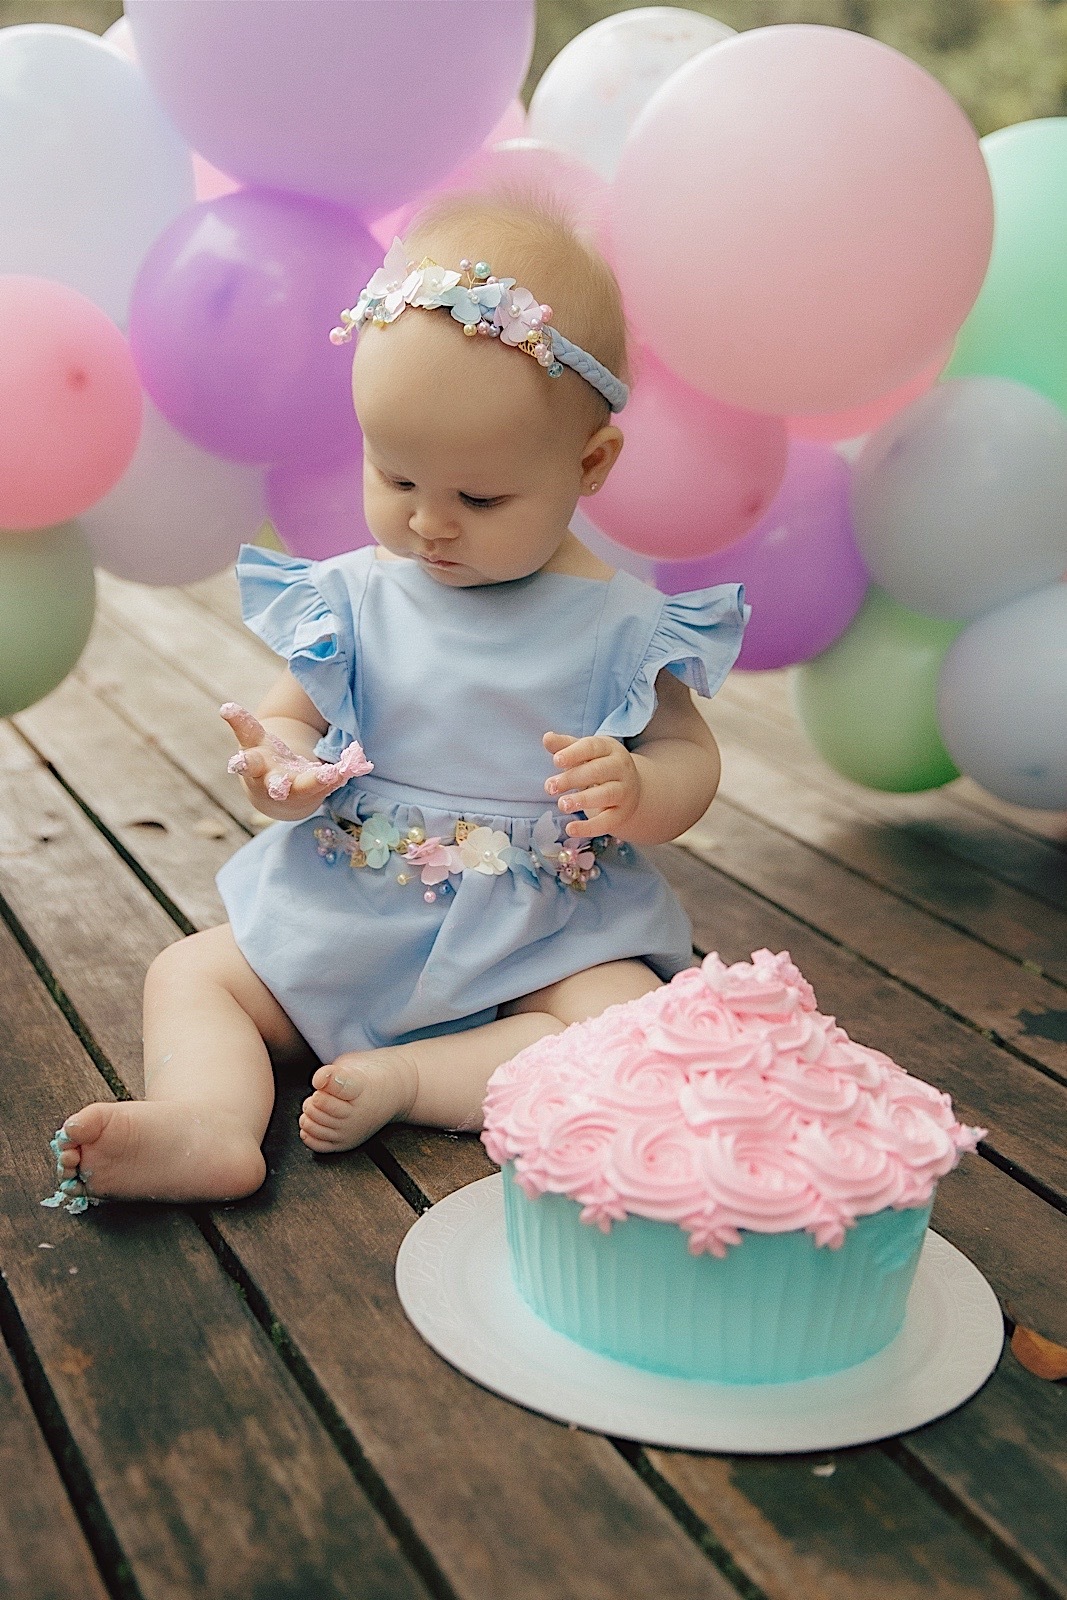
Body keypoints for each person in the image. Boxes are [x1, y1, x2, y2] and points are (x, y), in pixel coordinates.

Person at [46, 192, 747, 1210]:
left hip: (542, 932)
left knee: (625, 1021)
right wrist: (284, 765)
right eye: (394, 474)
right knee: (194, 975)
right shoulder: (352, 597)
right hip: (349, 909)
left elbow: (692, 756)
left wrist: (639, 787)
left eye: (480, 497)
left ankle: (415, 1081)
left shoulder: (625, 628)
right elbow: (288, 711)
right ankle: (209, 1119)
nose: (429, 523)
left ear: (586, 465)